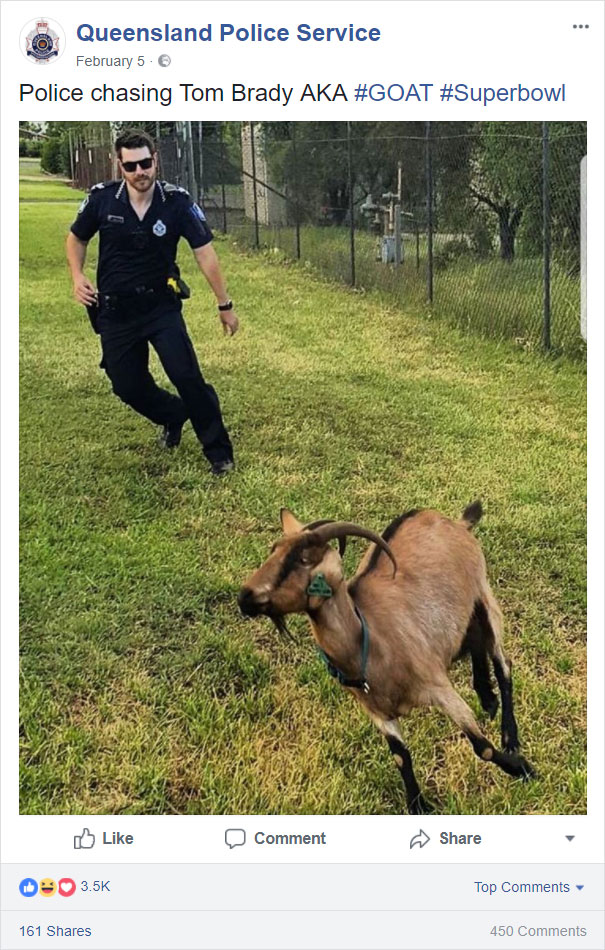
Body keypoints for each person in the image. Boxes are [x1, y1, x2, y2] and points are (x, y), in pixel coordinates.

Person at [66, 128, 238, 476]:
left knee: (187, 376)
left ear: (155, 160)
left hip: (160, 307)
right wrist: (77, 275)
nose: (139, 172)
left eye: (145, 163)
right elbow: (76, 238)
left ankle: (220, 454)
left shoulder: (176, 201)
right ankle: (173, 415)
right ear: (120, 166)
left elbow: (205, 254)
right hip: (116, 310)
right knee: (126, 385)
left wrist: (224, 304)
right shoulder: (101, 198)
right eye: (131, 166)